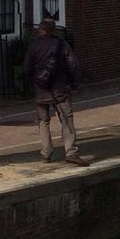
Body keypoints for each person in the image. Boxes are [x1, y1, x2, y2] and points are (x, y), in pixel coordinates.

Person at [22, 17, 89, 166]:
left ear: (41, 30)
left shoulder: (33, 46)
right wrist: (73, 82)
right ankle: (71, 152)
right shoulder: (61, 45)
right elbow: (73, 64)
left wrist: (34, 80)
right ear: (53, 30)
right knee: (66, 119)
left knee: (43, 121)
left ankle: (46, 153)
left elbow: (26, 68)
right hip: (60, 90)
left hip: (40, 91)